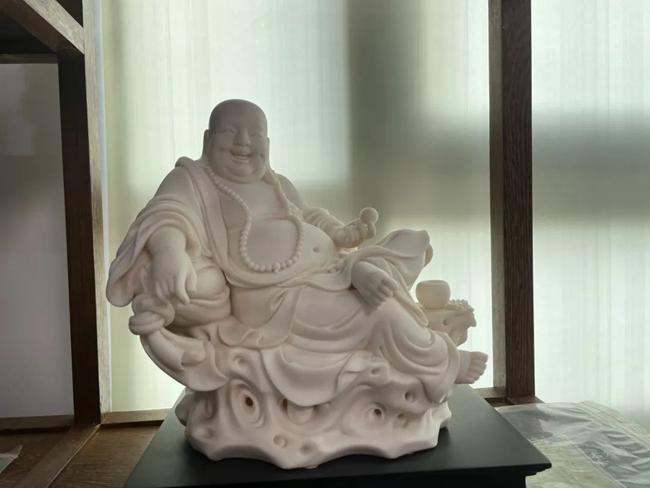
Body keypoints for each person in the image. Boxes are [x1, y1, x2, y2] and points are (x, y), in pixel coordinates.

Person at [107, 99, 487, 410]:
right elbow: (167, 214)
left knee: (409, 240)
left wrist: (344, 233)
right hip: (277, 296)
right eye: (230, 132)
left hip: (327, 270)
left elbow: (308, 216)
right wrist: (170, 252)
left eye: (255, 134)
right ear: (208, 139)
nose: (243, 142)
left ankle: (361, 272)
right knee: (380, 312)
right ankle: (443, 362)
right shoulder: (193, 179)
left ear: (268, 145)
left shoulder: (277, 183)